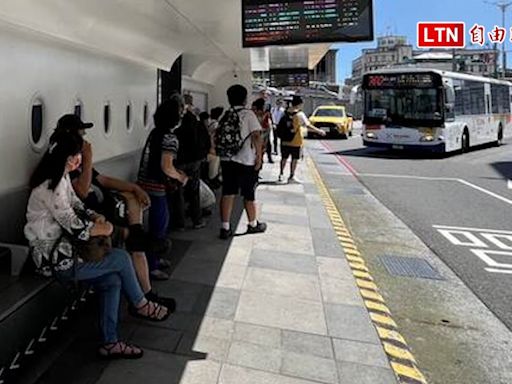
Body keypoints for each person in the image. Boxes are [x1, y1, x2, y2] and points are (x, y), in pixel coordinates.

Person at [25, 131, 169, 359]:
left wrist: (94, 217)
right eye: (77, 156)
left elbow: (76, 204)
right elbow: (74, 228)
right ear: (68, 158)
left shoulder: (60, 177)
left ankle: (110, 343)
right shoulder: (50, 187)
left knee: (112, 281)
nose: (80, 160)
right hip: (55, 261)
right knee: (121, 258)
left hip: (66, 252)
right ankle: (141, 303)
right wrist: (106, 228)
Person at [52, 115, 173, 297]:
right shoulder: (65, 163)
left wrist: (135, 187)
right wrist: (87, 157)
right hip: (91, 217)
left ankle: (139, 240)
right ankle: (144, 284)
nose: (84, 136)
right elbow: (82, 192)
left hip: (100, 209)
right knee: (132, 245)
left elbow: (103, 180)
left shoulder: (75, 161)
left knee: (131, 197)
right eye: (81, 132)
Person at [138, 95, 188, 279]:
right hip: (157, 188)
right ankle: (151, 266)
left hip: (144, 183)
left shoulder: (155, 132)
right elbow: (167, 167)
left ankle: (155, 260)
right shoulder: (170, 138)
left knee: (156, 225)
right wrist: (180, 177)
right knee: (159, 227)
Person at [218, 84, 266, 239]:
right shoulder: (248, 114)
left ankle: (225, 227)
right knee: (248, 194)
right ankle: (253, 224)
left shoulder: (226, 115)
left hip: (227, 159)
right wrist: (259, 157)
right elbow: (257, 136)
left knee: (228, 193)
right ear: (245, 99)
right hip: (245, 161)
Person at [171, 98, 211, 230]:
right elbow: (207, 142)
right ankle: (197, 221)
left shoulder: (177, 128)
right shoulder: (198, 124)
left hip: (180, 162)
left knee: (178, 193)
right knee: (194, 192)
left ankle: (179, 223)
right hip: (195, 162)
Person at [279, 96, 326, 184]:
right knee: (294, 159)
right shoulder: (299, 114)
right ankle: (291, 176)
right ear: (300, 104)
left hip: (284, 140)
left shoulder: (285, 112)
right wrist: (319, 131)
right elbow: (307, 126)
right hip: (295, 141)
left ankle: (281, 174)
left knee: (284, 158)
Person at [252, 98, 274, 163]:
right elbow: (260, 121)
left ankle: (264, 158)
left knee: (266, 146)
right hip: (260, 132)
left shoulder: (265, 112)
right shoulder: (257, 113)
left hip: (265, 132)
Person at [207, 107, 224, 186]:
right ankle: (213, 178)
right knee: (216, 161)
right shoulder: (216, 125)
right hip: (213, 146)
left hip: (209, 146)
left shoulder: (209, 123)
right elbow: (213, 137)